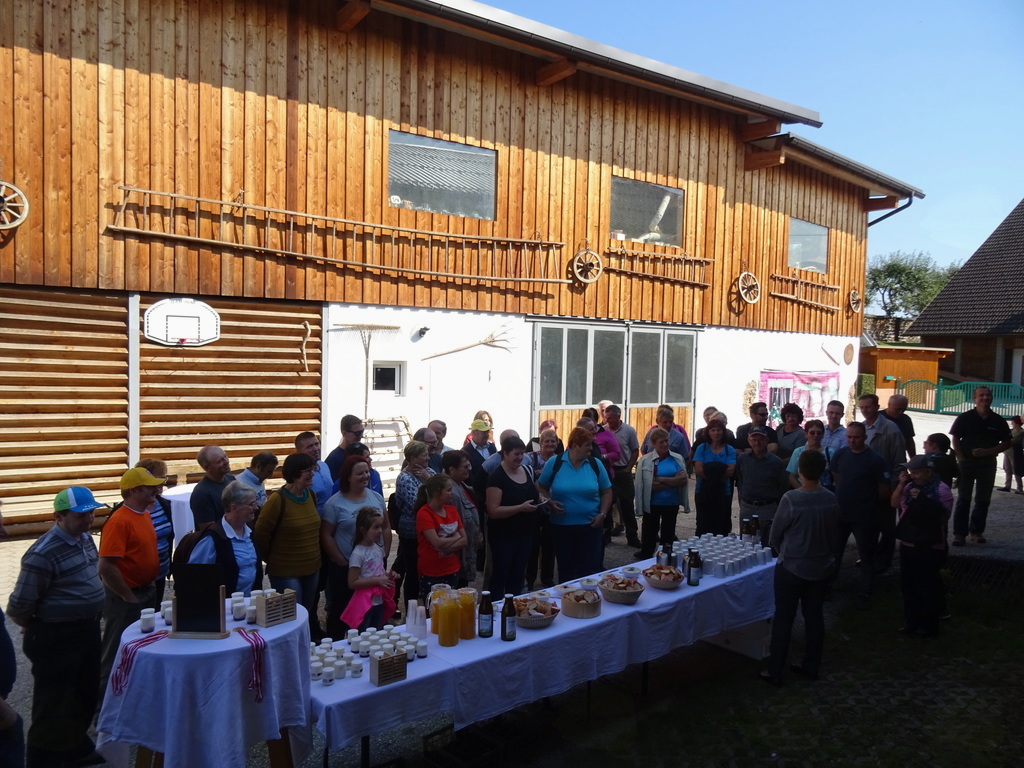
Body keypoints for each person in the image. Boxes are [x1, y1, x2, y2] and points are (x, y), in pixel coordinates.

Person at [7, 487, 107, 767]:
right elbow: (19, 605)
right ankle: (41, 760)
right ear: (58, 517)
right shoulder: (43, 553)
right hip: (58, 636)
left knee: (84, 693)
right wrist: (36, 625)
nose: (89, 520)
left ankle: (75, 748)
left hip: (86, 630)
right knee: (53, 704)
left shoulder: (85, 538)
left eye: (91, 513)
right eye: (81, 516)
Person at [761, 450, 839, 686]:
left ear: (800, 470)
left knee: (784, 618)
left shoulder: (792, 498)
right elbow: (834, 532)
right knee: (814, 616)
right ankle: (811, 664)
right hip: (821, 566)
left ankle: (775, 670)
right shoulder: (831, 498)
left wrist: (783, 551)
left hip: (792, 566)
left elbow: (775, 535)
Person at [99, 467, 164, 690]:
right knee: (116, 650)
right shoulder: (119, 521)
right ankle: (104, 704)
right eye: (149, 487)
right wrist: (127, 596)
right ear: (135, 491)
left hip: (146, 592)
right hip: (127, 597)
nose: (156, 490)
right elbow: (106, 566)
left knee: (143, 644)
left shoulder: (143, 514)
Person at [252, 452, 323, 639]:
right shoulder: (278, 500)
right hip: (286, 571)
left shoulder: (311, 495)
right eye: (307, 470)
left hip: (312, 568)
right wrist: (271, 558)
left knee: (306, 612)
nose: (312, 474)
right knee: (291, 616)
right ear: (294, 473)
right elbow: (261, 534)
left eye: (312, 469)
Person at [321, 455, 389, 638]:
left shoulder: (376, 498)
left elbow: (386, 526)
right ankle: (335, 644)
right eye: (360, 473)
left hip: (372, 564)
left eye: (367, 472)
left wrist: (384, 552)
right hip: (346, 567)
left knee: (371, 608)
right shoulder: (334, 504)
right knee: (341, 609)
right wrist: (340, 560)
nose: (365, 476)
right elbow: (326, 534)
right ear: (348, 477)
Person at [537, 427, 613, 581]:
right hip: (561, 528)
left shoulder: (595, 464)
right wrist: (548, 501)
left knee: (589, 570)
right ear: (575, 445)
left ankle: (588, 596)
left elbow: (607, 492)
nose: (591, 449)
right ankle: (568, 596)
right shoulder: (555, 463)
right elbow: (541, 487)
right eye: (587, 445)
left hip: (591, 526)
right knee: (566, 570)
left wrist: (603, 514)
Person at [830, 422, 891, 610]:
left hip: (864, 517)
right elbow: (836, 476)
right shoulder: (840, 454)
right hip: (841, 514)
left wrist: (865, 499)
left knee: (866, 556)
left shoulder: (876, 460)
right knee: (834, 553)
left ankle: (865, 594)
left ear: (864, 437)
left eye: (856, 437)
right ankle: (828, 588)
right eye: (849, 437)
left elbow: (884, 490)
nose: (852, 441)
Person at [891, 454, 953, 638]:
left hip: (929, 545)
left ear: (929, 472)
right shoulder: (909, 487)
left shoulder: (941, 490)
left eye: (916, 472)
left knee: (926, 586)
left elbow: (942, 518)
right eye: (911, 471)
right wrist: (901, 484)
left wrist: (922, 500)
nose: (912, 475)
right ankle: (911, 621)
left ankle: (928, 625)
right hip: (908, 542)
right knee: (908, 585)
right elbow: (894, 503)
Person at [950, 386, 1011, 546]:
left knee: (983, 500)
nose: (985, 398)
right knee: (963, 499)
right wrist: (961, 459)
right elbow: (955, 438)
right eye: (981, 395)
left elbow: (1007, 442)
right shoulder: (965, 418)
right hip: (967, 464)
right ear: (974, 399)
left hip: (988, 465)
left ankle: (976, 532)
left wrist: (989, 451)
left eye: (988, 395)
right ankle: (959, 534)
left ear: (992, 398)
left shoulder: (998, 420)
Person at [485, 435, 541, 597]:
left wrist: (542, 499)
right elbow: (493, 511)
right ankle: (496, 607)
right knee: (501, 575)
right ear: (505, 453)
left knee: (518, 575)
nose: (520, 457)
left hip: (525, 533)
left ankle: (514, 606)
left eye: (522, 453)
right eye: (516, 454)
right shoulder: (497, 477)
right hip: (504, 536)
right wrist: (520, 508)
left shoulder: (527, 470)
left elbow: (533, 492)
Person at [186, 480, 261, 596]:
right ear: (234, 508)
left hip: (250, 603)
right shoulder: (212, 538)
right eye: (251, 504)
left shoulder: (249, 532)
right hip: (224, 605)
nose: (256, 508)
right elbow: (195, 576)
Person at [858, 393, 905, 570]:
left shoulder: (891, 429)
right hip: (866, 488)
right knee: (868, 525)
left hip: (885, 486)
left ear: (877, 407)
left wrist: (893, 488)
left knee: (886, 526)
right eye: (862, 407)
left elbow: (899, 461)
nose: (864, 410)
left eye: (868, 407)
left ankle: (884, 561)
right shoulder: (862, 427)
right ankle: (868, 557)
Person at [339, 508, 397, 632]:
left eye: (381, 526)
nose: (380, 531)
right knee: (364, 636)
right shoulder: (358, 554)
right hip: (364, 605)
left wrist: (388, 575)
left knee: (377, 634)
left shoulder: (377, 547)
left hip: (378, 602)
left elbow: (377, 571)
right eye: (375, 527)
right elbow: (352, 582)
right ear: (363, 530)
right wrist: (377, 581)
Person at [633, 428, 688, 559]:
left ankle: (666, 555)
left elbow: (683, 480)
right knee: (649, 531)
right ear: (653, 443)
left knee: (668, 532)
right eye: (661, 442)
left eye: (666, 441)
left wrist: (660, 479)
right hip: (652, 503)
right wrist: (673, 481)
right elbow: (649, 485)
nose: (665, 444)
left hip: (671, 502)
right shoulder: (645, 460)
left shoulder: (677, 459)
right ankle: (646, 553)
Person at [393, 440, 435, 605]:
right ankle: (411, 607)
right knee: (412, 571)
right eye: (424, 455)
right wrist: (429, 484)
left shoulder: (428, 471)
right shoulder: (404, 478)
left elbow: (444, 490)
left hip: (431, 528)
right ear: (412, 459)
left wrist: (428, 479)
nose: (428, 458)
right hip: (412, 532)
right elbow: (416, 504)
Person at [132, 458, 175, 609]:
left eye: (165, 478)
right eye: (159, 478)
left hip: (160, 571)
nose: (163, 482)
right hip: (138, 580)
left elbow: (169, 536)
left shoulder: (164, 504)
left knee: (156, 611)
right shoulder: (131, 510)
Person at [735, 427, 789, 547]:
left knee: (768, 543)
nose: (757, 443)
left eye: (761, 439)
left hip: (768, 509)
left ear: (767, 441)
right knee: (745, 543)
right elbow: (740, 481)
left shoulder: (776, 462)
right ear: (749, 440)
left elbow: (782, 487)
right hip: (747, 508)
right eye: (754, 439)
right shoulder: (742, 459)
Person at [415, 474, 467, 596]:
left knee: (450, 602)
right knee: (433, 604)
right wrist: (456, 537)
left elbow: (465, 540)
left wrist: (444, 546)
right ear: (438, 492)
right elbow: (436, 542)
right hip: (432, 570)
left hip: (452, 567)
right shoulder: (424, 513)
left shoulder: (452, 510)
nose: (452, 493)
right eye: (448, 490)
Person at [523, 430, 559, 588]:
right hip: (534, 505)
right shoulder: (530, 457)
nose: (550, 444)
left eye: (553, 441)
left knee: (550, 544)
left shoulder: (559, 460)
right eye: (547, 441)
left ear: (557, 443)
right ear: (541, 443)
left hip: (552, 505)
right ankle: (529, 579)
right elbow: (523, 475)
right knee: (533, 544)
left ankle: (547, 578)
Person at [442, 450, 482, 587]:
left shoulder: (461, 484)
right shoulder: (451, 493)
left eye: (469, 465)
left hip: (466, 548)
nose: (469, 469)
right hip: (459, 554)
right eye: (465, 467)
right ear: (452, 469)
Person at [605, 404, 642, 548]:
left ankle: (632, 536)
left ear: (618, 416)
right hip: (609, 471)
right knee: (608, 505)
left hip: (623, 470)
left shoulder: (628, 431)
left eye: (611, 418)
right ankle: (606, 536)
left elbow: (635, 450)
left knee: (627, 505)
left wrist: (628, 468)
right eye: (607, 418)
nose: (608, 421)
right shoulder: (605, 430)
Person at [692, 418, 736, 536]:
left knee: (722, 525)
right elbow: (699, 470)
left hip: (723, 493)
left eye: (719, 430)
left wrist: (712, 475)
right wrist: (718, 475)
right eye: (713, 430)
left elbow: (730, 471)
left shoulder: (729, 449)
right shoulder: (702, 448)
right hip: (703, 492)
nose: (716, 433)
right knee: (703, 524)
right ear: (708, 432)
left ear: (723, 432)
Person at [190, 445, 234, 529]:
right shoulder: (201, 494)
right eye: (219, 461)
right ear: (207, 467)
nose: (226, 461)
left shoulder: (231, 479)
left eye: (225, 456)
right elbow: (209, 530)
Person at [786, 420, 834, 491]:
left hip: (824, 492)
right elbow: (792, 477)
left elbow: (835, 475)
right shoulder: (798, 452)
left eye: (818, 433)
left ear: (823, 434)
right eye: (812, 433)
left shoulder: (830, 452)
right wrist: (803, 491)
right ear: (806, 434)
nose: (815, 435)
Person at [295, 431, 334, 515]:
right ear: (299, 452)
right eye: (310, 446)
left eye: (317, 444)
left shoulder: (324, 465)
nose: (316, 449)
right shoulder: (298, 474)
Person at [325, 414, 365, 480]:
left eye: (362, 432)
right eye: (357, 433)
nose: (361, 436)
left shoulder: (362, 452)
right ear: (344, 433)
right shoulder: (334, 459)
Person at [882, 394, 917, 459]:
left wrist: (913, 459)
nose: (901, 412)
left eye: (904, 409)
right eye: (898, 409)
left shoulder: (906, 419)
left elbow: (909, 441)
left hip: (899, 456)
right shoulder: (877, 418)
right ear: (889, 405)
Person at [998, 415, 1024, 494]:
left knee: (1016, 470)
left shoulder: (1021, 432)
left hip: (1014, 453)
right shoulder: (1013, 430)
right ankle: (1007, 485)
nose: (1012, 423)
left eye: (1013, 422)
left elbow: (1012, 440)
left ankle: (1019, 488)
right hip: (1007, 451)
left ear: (1017, 423)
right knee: (1007, 469)